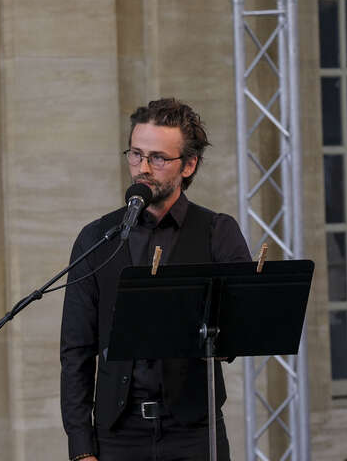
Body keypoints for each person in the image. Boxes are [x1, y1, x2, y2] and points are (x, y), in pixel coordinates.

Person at [60, 98, 251, 461]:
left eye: (158, 158)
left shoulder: (217, 232)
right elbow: (76, 351)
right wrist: (81, 447)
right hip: (117, 436)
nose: (143, 168)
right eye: (135, 154)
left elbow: (238, 334)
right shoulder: (97, 238)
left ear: (189, 164)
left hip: (193, 434)